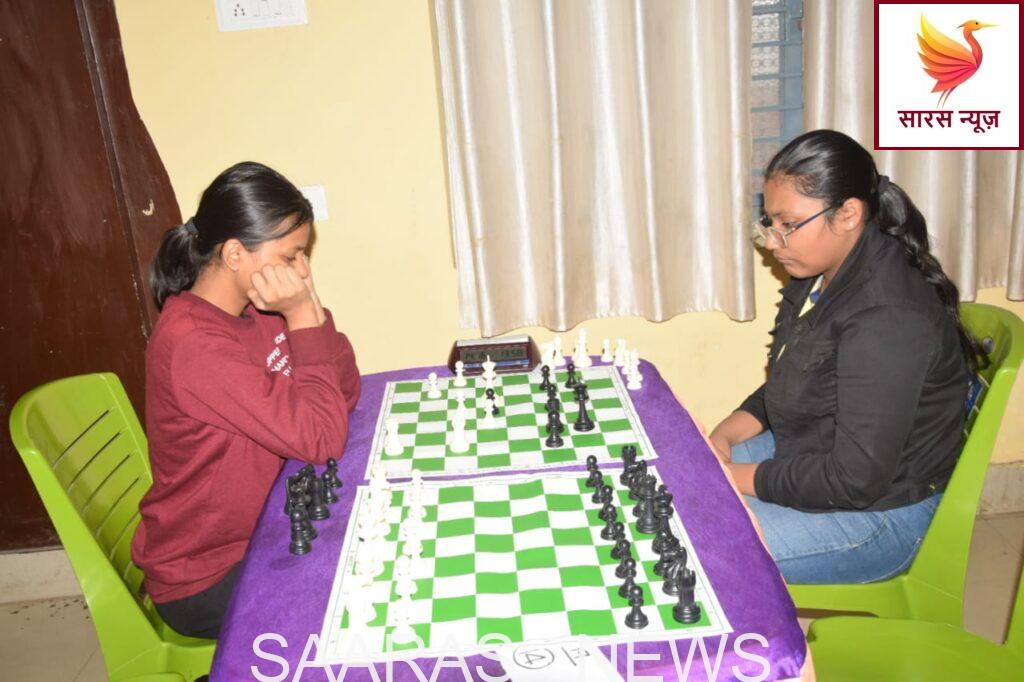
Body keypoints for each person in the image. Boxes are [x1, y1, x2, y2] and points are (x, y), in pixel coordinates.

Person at [709, 130, 981, 584]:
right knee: (684, 481)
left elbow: (854, 481)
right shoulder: (819, 274)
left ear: (849, 214)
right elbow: (796, 376)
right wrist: (725, 435)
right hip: (819, 448)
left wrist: (733, 477)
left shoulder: (886, 317)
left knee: (695, 550)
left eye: (788, 224)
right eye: (770, 222)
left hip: (880, 514)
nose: (773, 242)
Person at [131, 162, 361, 638]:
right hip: (207, 575)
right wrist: (301, 315)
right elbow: (322, 439)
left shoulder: (258, 312)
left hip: (264, 526)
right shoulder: (194, 345)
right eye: (291, 256)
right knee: (363, 595)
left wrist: (308, 313)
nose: (302, 271)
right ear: (236, 253)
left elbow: (345, 392)